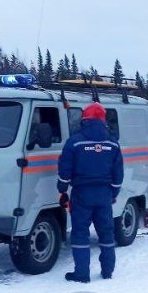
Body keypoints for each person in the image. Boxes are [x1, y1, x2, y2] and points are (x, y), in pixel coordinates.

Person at [57, 102, 124, 283]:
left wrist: (62, 190)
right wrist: (113, 193)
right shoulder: (112, 142)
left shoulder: (75, 141)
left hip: (81, 194)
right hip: (104, 195)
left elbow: (65, 170)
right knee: (106, 233)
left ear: (84, 119)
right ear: (103, 120)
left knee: (80, 234)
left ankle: (82, 274)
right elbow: (118, 173)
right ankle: (107, 271)